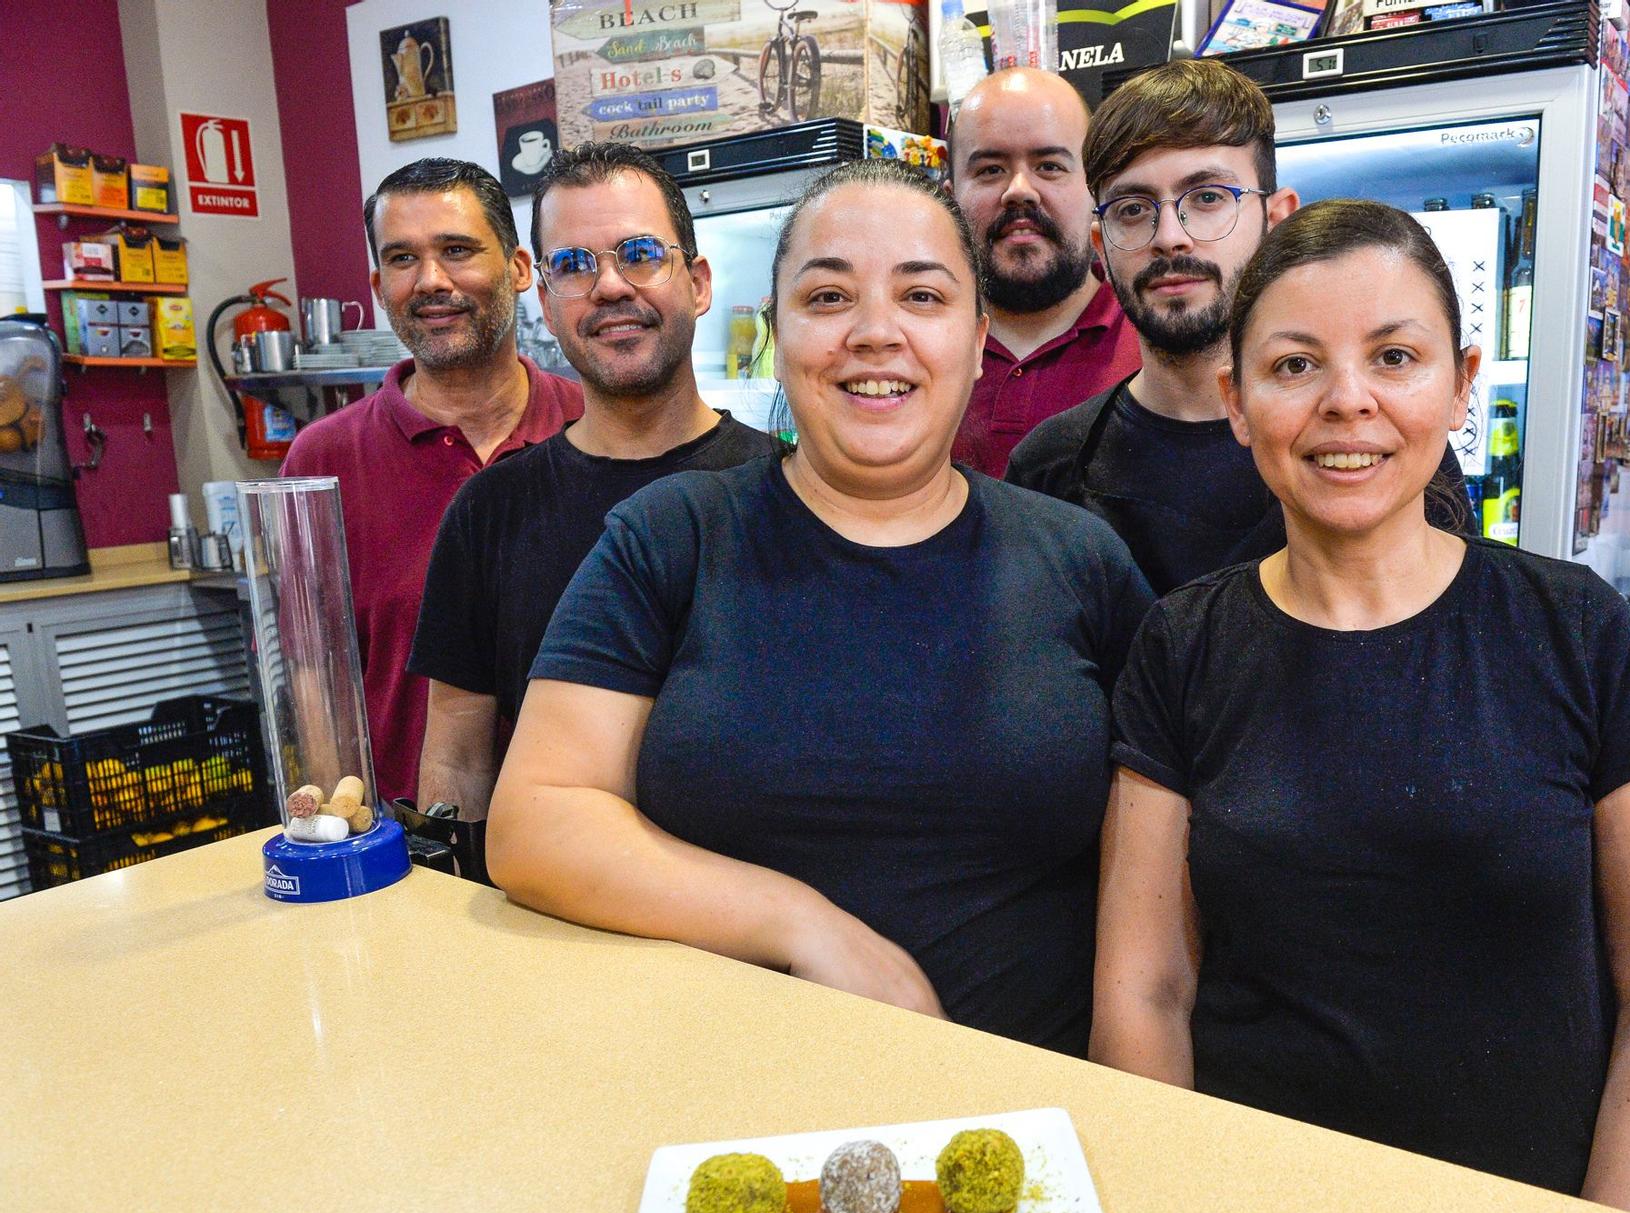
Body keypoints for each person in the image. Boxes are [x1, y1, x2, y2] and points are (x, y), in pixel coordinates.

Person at [1090, 198, 1630, 1213]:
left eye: (1393, 357)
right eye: (1294, 365)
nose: (1347, 401)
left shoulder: (1575, 628)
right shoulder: (1181, 645)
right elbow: (1145, 988)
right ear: (1235, 400)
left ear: (1459, 387)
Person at [487, 161, 1152, 1056]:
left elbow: (1155, 897)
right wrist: (805, 926)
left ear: (978, 334)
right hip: (730, 1115)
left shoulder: (1081, 560)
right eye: (829, 297)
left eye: (922, 297)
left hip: (1025, 1123)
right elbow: (537, 821)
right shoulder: (672, 536)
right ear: (775, 330)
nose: (876, 335)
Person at [408, 144, 774, 820]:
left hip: (745, 914)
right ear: (545, 302)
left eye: (639, 253)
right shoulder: (490, 510)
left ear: (697, 282)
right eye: (574, 265)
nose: (609, 287)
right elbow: (457, 756)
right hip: (548, 911)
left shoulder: (784, 488)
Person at [1007, 59, 1468, 595]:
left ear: (1277, 221)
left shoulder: (1365, 449)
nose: (1170, 237)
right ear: (1100, 251)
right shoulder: (1050, 468)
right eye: (1133, 209)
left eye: (1207, 199)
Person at [281, 159, 583, 803]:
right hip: (412, 844)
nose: (431, 281)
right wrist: (345, 826)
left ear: (520, 268)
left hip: (599, 840)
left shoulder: (592, 427)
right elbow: (313, 671)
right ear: (376, 285)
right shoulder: (322, 460)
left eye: (457, 250)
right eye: (401, 259)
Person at [947, 67, 1140, 478]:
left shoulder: (1154, 347)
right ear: (949, 201)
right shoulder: (914, 351)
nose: (1019, 189)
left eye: (1049, 166)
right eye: (990, 169)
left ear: (1097, 190)